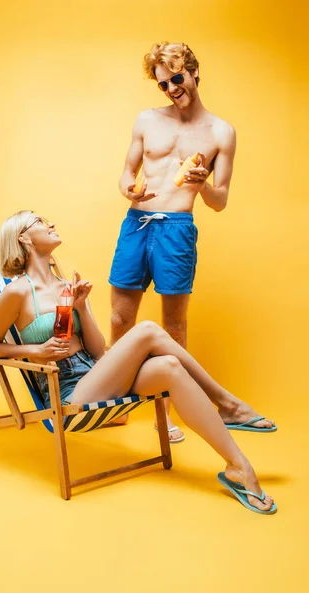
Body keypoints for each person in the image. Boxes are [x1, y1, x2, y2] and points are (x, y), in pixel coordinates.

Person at [0, 210, 277, 514]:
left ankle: (237, 466)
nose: (51, 223)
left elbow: (97, 352)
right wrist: (38, 350)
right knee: (149, 329)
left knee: (169, 368)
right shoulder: (16, 292)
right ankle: (228, 404)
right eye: (41, 221)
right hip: (69, 393)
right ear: (23, 237)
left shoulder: (65, 287)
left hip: (96, 374)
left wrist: (81, 308)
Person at [109, 42, 243, 441]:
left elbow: (220, 201)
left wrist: (202, 186)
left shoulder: (221, 132)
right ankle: (116, 401)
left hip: (178, 228)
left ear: (195, 72)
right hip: (137, 223)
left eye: (177, 79)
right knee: (119, 319)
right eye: (163, 83)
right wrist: (127, 191)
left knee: (174, 327)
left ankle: (163, 413)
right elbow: (125, 172)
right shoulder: (146, 120)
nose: (171, 89)